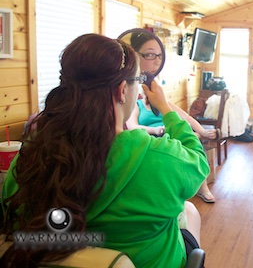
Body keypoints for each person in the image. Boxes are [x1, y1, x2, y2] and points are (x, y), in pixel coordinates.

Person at [1, 34, 209, 267]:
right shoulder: (156, 157)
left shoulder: (31, 156)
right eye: (137, 80)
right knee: (189, 214)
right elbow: (198, 162)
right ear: (122, 90)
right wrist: (166, 109)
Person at [126, 31, 216, 203]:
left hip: (169, 134)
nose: (157, 61)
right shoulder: (135, 104)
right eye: (151, 55)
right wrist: (155, 129)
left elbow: (183, 117)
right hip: (154, 137)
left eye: (160, 56)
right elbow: (132, 126)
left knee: (194, 140)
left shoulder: (162, 102)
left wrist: (202, 132)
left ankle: (203, 188)